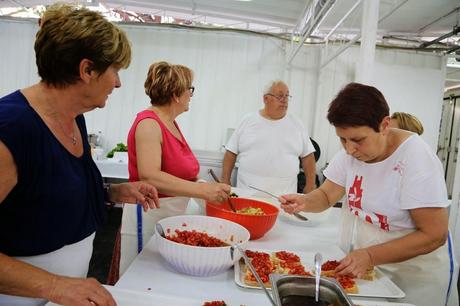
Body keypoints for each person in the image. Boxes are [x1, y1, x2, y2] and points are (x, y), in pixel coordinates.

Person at [0, 4, 160, 306]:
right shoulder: (12, 129)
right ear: (87, 70)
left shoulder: (75, 117)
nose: (118, 82)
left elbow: (46, 194)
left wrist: (111, 192)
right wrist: (54, 286)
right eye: (115, 69)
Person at [280, 83, 457, 306]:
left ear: (384, 125)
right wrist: (304, 201)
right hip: (368, 267)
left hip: (414, 276)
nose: (349, 149)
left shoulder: (416, 159)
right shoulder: (351, 152)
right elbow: (326, 196)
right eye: (342, 139)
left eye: (357, 140)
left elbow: (434, 234)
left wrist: (371, 256)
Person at [115, 61, 231, 279]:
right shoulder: (149, 124)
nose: (191, 95)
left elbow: (180, 171)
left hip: (170, 214)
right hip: (149, 214)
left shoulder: (170, 123)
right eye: (190, 89)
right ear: (177, 94)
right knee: (143, 277)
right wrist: (201, 192)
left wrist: (204, 185)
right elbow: (150, 176)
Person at [221, 80, 317, 195]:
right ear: (266, 99)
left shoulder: (297, 124)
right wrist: (225, 180)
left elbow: (308, 157)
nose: (284, 100)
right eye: (280, 96)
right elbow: (230, 152)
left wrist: (310, 185)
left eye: (287, 96)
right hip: (247, 193)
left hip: (285, 197)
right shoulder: (248, 120)